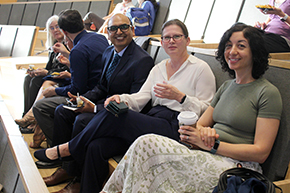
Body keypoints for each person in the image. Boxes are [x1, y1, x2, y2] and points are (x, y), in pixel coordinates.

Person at [34, 19, 216, 192]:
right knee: (96, 146)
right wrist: (121, 98)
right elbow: (141, 97)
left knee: (115, 115)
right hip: (154, 118)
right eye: (167, 37)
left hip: (177, 126)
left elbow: (207, 111)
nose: (171, 41)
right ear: (161, 41)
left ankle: (68, 149)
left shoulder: (200, 68)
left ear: (187, 40)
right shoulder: (159, 68)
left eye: (177, 36)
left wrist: (181, 97)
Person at [99, 24, 283, 192]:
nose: (232, 51)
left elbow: (261, 152)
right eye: (228, 46)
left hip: (237, 167)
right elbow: (199, 125)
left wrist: (213, 145)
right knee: (143, 143)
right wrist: (203, 133)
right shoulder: (227, 86)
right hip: (207, 152)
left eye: (241, 46)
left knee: (149, 155)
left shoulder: (267, 93)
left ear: (255, 52)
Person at [38, 13, 155, 191]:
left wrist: (94, 108)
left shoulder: (142, 60)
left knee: (81, 120)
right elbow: (102, 86)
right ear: (107, 33)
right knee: (63, 110)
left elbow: (138, 103)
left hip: (121, 115)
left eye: (124, 27)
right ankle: (67, 168)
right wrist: (82, 100)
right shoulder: (109, 52)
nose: (119, 32)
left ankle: (76, 177)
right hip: (104, 104)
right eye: (113, 28)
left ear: (132, 29)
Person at [32, 9, 109, 147]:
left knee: (40, 106)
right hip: (102, 90)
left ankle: (55, 148)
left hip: (89, 96)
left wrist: (54, 92)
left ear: (64, 32)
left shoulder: (78, 50)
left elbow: (77, 89)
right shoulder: (100, 37)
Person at [17, 15, 70, 133]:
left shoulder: (68, 45)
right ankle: (26, 115)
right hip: (52, 76)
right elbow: (49, 68)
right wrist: (37, 71)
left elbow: (65, 69)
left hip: (62, 78)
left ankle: (31, 120)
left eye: (57, 27)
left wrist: (46, 72)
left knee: (36, 81)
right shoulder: (54, 47)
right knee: (28, 79)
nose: (55, 30)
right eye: (52, 28)